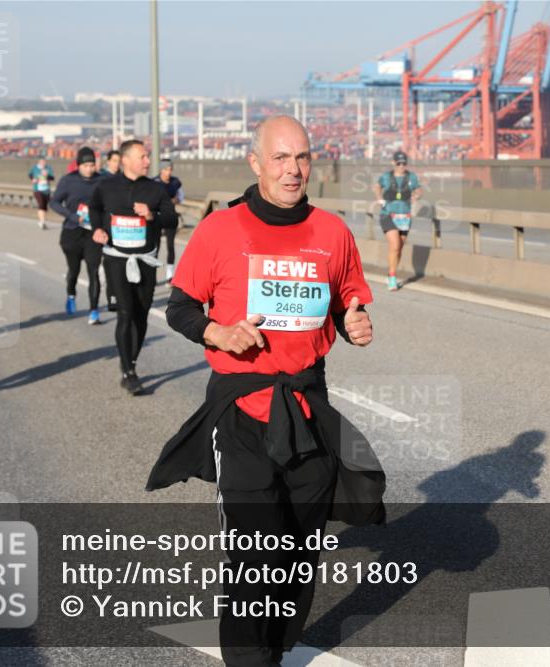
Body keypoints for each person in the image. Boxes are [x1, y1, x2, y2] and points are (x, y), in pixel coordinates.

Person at [146, 116, 384, 667]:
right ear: (255, 163)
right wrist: (220, 333)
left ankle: (273, 652)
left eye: (301, 158)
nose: (293, 170)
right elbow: (180, 307)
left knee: (299, 552)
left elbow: (346, 303)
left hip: (307, 408)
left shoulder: (332, 232)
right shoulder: (220, 230)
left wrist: (356, 325)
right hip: (244, 412)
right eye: (280, 158)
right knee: (256, 557)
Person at [88, 139, 176, 394]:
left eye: (148, 156)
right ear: (125, 160)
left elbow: (171, 218)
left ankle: (131, 360)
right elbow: (94, 208)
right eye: (142, 157)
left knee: (141, 313)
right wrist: (97, 229)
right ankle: (129, 371)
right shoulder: (106, 186)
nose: (148, 161)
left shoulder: (156, 190)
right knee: (125, 313)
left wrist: (151, 216)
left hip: (145, 260)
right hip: (117, 259)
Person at [50, 147, 106, 324]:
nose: (90, 169)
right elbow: (54, 202)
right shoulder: (68, 181)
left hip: (93, 233)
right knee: (73, 271)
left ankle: (94, 311)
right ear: (78, 165)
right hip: (72, 232)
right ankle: (71, 294)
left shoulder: (102, 180)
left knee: (93, 271)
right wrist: (72, 216)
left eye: (92, 165)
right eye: (86, 165)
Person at [373, 149, 421, 291]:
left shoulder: (412, 177)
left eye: (404, 163)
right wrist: (379, 198)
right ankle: (393, 277)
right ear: (393, 162)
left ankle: (390, 272)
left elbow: (418, 189)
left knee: (399, 248)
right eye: (399, 163)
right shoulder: (386, 177)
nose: (401, 165)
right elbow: (377, 186)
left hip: (405, 216)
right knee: (394, 245)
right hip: (388, 214)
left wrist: (416, 195)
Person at [154, 158, 185, 282]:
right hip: (157, 217)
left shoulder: (176, 182)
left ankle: (169, 275)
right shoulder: (153, 182)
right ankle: (153, 275)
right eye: (166, 169)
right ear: (161, 169)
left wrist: (175, 200)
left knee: (170, 246)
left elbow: (181, 197)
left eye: (170, 169)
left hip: (171, 217)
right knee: (156, 246)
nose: (169, 172)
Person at [100, 149, 122, 311]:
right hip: (105, 225)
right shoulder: (101, 178)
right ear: (108, 161)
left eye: (118, 161)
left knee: (118, 262)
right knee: (109, 263)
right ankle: (112, 297)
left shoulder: (123, 178)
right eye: (114, 161)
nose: (116, 164)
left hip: (120, 227)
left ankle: (118, 293)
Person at [28, 157, 55, 229]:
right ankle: (42, 222)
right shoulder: (35, 168)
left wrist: (47, 176)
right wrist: (33, 179)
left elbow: (52, 178)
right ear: (39, 161)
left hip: (46, 190)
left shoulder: (48, 168)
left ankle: (42, 221)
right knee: (41, 204)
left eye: (44, 161)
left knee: (45, 207)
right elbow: (30, 175)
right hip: (37, 189)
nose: (43, 163)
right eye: (42, 161)